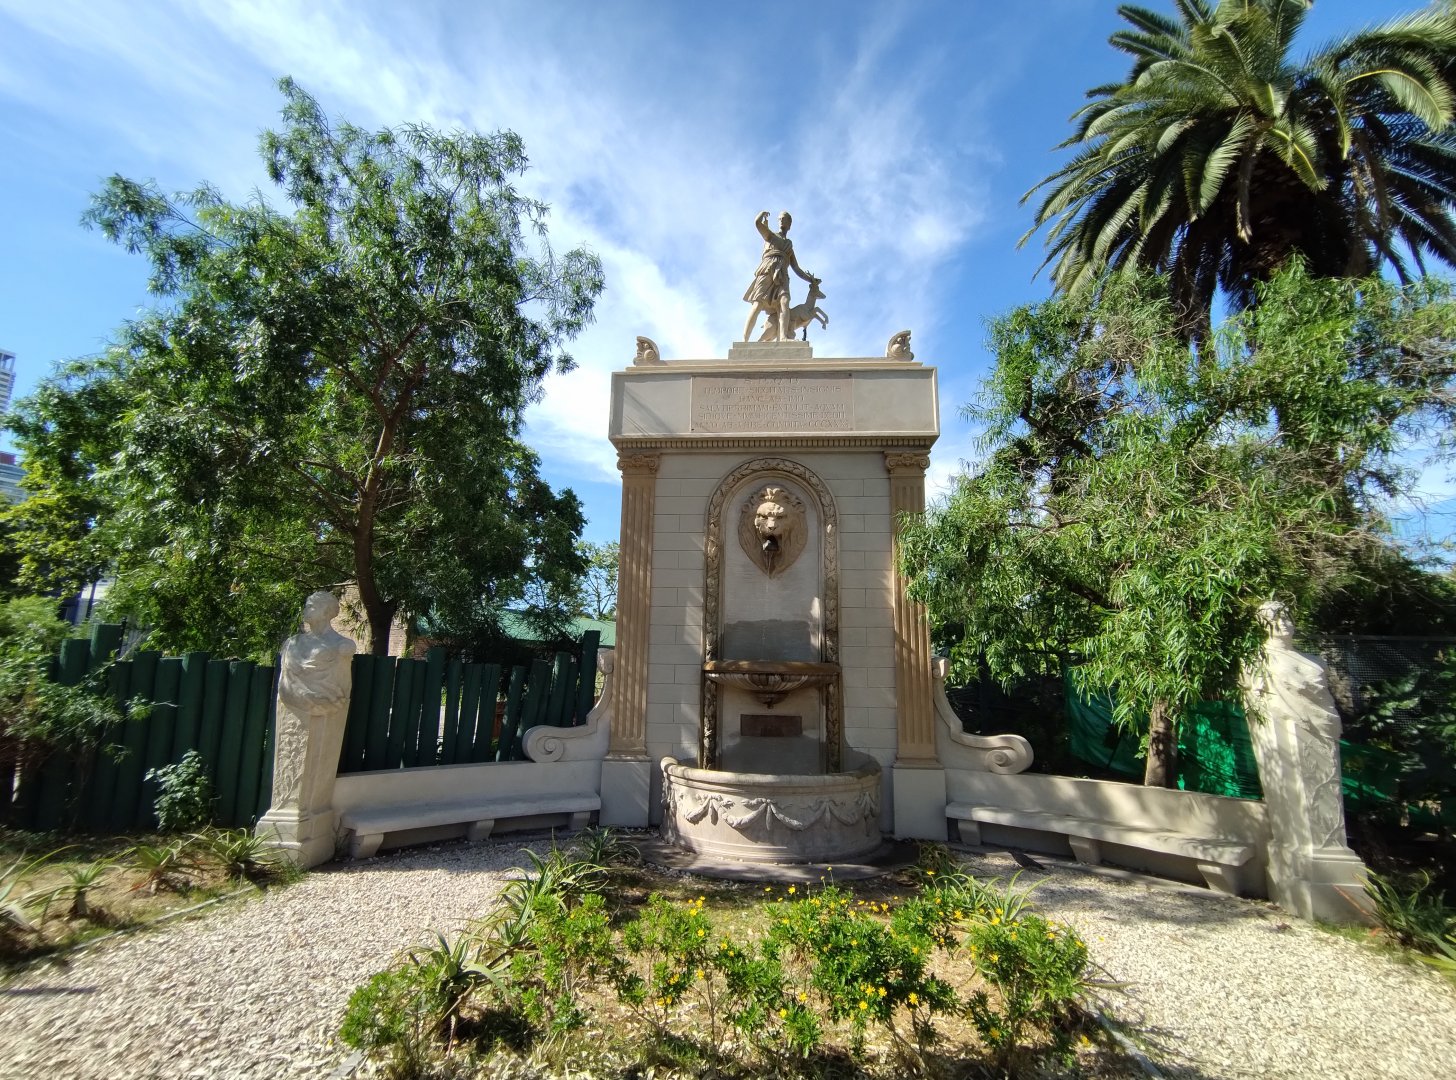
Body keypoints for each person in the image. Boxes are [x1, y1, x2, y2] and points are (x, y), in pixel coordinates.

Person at [742, 211, 815, 342]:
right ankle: (744, 340)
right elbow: (757, 223)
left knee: (784, 303)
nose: (781, 220)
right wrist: (761, 214)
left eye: (784, 219)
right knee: (757, 304)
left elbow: (796, 268)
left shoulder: (789, 245)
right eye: (780, 218)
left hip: (783, 275)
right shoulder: (770, 235)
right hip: (767, 270)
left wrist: (811, 280)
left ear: (789, 224)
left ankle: (783, 337)